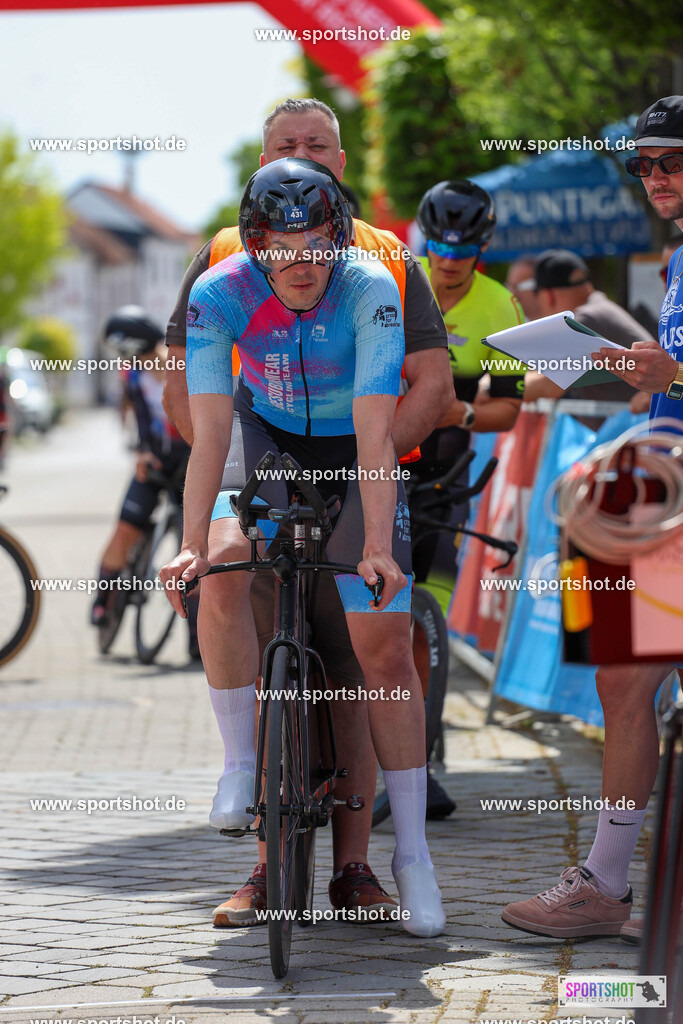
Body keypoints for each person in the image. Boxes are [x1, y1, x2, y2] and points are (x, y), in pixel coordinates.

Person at [162, 98, 453, 926]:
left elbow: (375, 431)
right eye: (279, 244)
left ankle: (408, 860)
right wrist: (189, 543)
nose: (299, 258)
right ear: (254, 239)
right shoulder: (220, 282)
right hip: (267, 442)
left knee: (381, 641)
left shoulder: (375, 277)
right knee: (218, 569)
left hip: (351, 452)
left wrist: (379, 549)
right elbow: (208, 431)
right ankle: (236, 767)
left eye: (314, 242)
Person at [501, 94, 683, 943]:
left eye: (670, 160)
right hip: (654, 493)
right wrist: (612, 372)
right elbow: (661, 386)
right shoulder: (677, 260)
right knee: (620, 680)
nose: (654, 177)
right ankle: (604, 885)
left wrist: (669, 379)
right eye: (643, 164)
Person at [411, 180, 525, 605]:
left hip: (446, 474)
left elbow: (508, 407)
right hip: (377, 464)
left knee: (431, 602)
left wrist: (465, 414)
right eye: (440, 247)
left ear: (484, 245)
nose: (450, 260)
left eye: (463, 251)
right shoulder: (397, 279)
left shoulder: (502, 307)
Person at [91, 307, 199, 659]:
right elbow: (140, 421)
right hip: (153, 461)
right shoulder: (133, 376)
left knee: (193, 544)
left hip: (188, 461)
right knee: (125, 527)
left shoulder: (181, 367)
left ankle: (197, 637)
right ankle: (104, 599)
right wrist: (140, 452)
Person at [505, 254, 544, 322]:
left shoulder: (561, 323)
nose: (514, 293)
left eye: (521, 287)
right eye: (511, 286)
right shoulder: (507, 325)